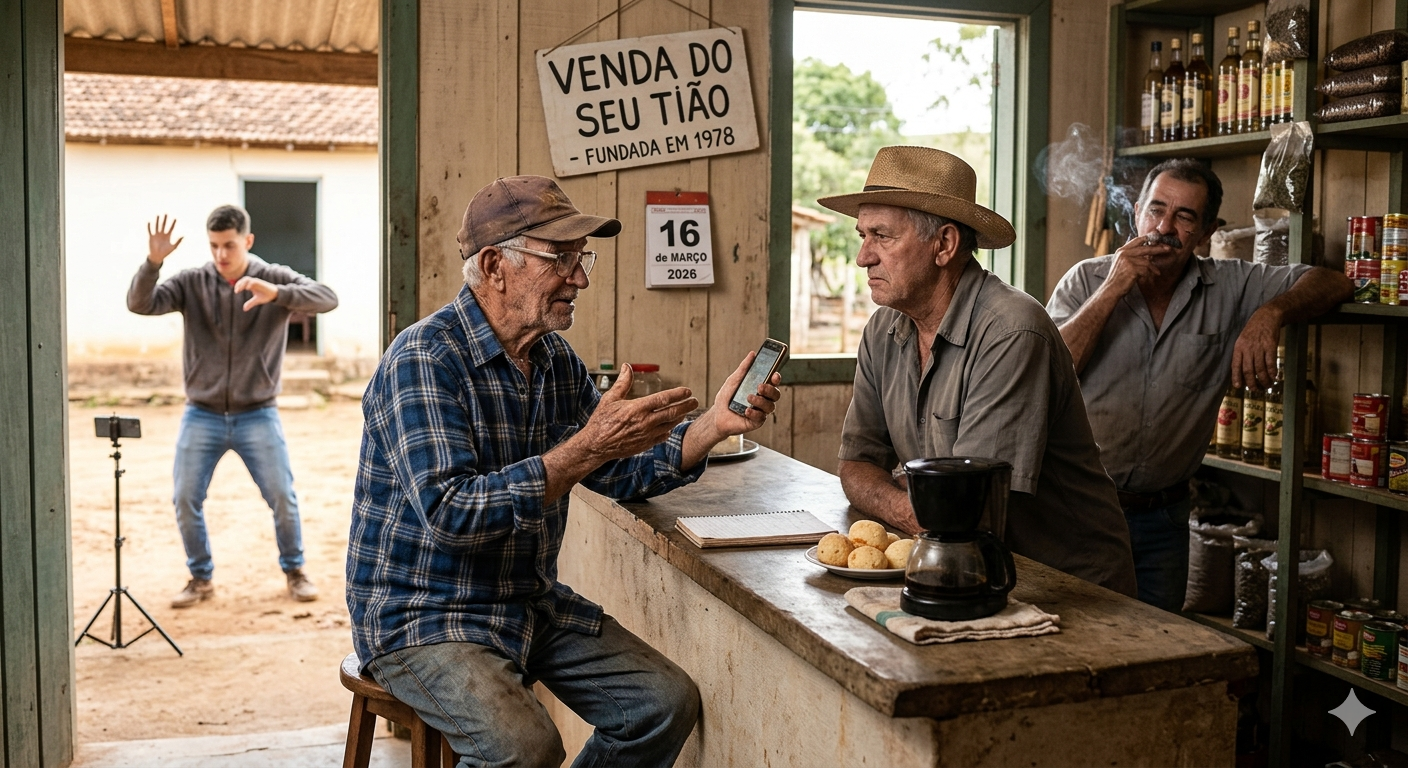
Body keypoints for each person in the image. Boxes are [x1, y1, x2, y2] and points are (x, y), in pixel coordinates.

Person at [345, 175, 781, 766]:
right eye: (561, 259)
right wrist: (586, 447)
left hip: (524, 600)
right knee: (526, 748)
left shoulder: (552, 360)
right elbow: (452, 515)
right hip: (423, 615)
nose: (580, 278)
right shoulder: (424, 359)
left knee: (661, 704)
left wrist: (712, 426)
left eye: (582, 259)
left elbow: (618, 473)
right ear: (495, 266)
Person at [819, 146, 1138, 596]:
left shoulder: (1011, 331)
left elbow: (969, 510)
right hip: (967, 569)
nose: (863, 257)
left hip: (1070, 588)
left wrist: (904, 498)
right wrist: (911, 508)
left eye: (882, 236)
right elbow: (856, 464)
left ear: (945, 245)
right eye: (862, 236)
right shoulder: (883, 330)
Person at [1047, 158, 1352, 611]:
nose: (1164, 227)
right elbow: (1052, 373)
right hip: (1078, 510)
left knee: (1159, 645)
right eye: (1156, 210)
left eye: (1184, 217)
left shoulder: (1230, 285)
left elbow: (1333, 283)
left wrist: (1270, 313)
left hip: (1165, 520)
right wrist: (1112, 288)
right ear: (1136, 213)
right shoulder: (1085, 279)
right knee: (1073, 637)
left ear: (1207, 232)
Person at [127, 206, 339, 608]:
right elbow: (140, 303)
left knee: (282, 497)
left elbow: (328, 299)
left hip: (258, 412)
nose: (221, 254)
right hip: (201, 412)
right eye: (214, 246)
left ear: (247, 240)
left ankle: (295, 571)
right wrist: (153, 263)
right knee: (185, 498)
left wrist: (278, 294)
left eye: (229, 245)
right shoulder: (191, 282)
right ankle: (200, 578)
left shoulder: (273, 276)